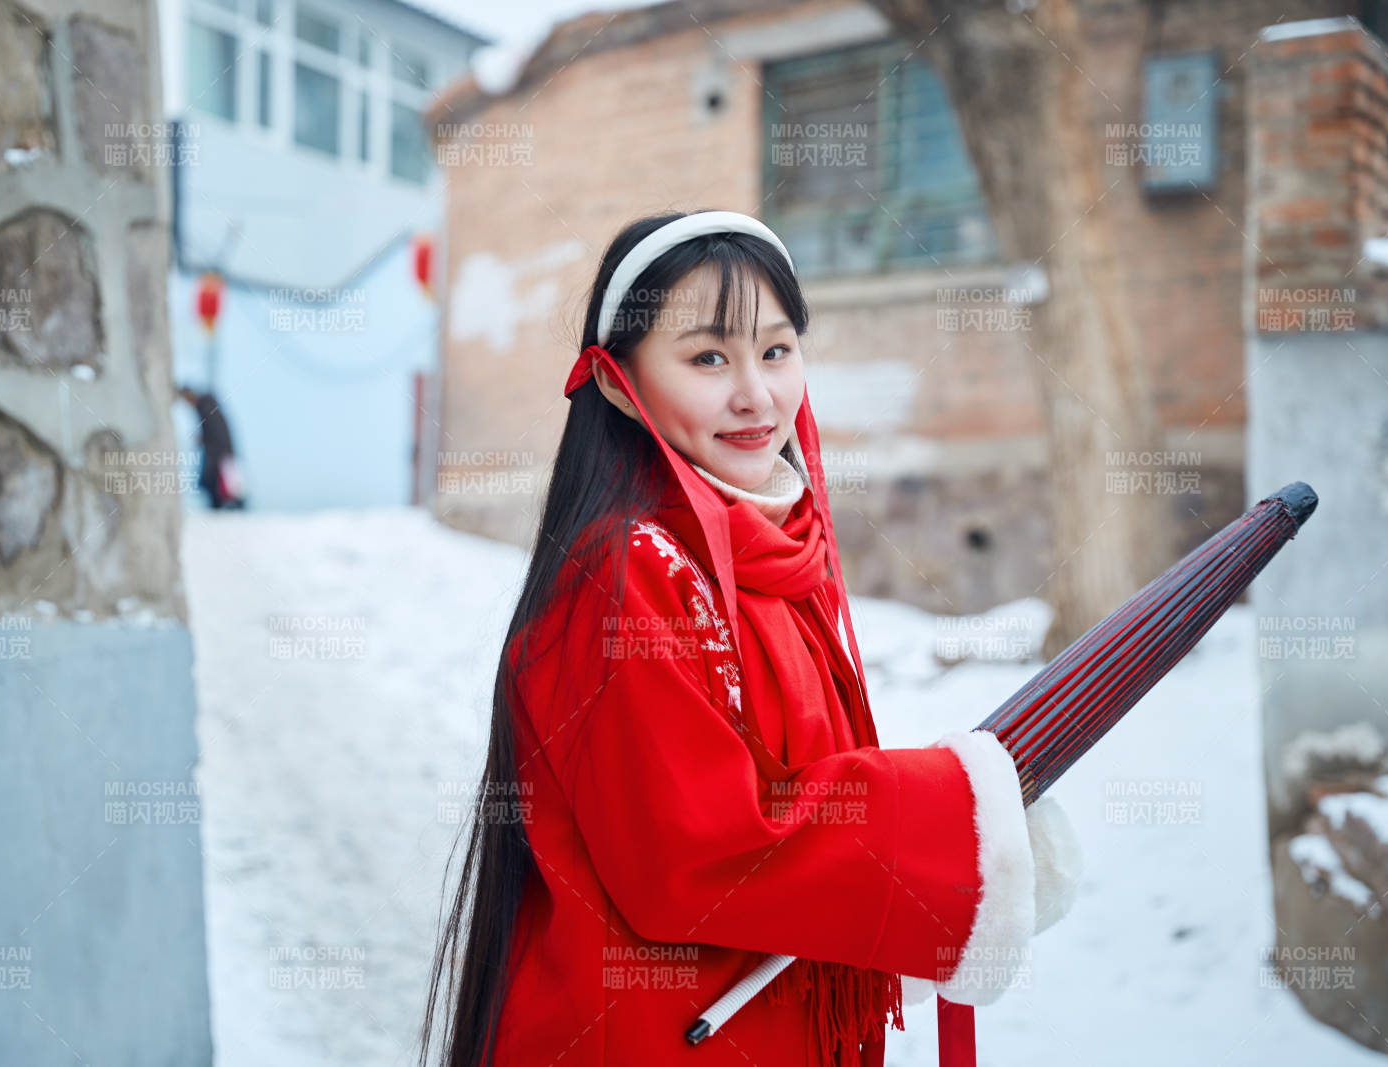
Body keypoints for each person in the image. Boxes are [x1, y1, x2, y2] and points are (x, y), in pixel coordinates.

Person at [419, 211, 1084, 1067]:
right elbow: (700, 851)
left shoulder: (778, 560)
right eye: (707, 357)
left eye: (776, 351)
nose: (756, 394)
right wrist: (957, 823)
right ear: (620, 384)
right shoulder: (623, 580)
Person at [177, 385, 246, 510]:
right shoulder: (206, 405)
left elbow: (216, 431)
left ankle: (228, 506)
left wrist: (204, 440)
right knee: (219, 482)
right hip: (220, 450)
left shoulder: (205, 406)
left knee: (215, 482)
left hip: (218, 452)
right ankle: (225, 506)